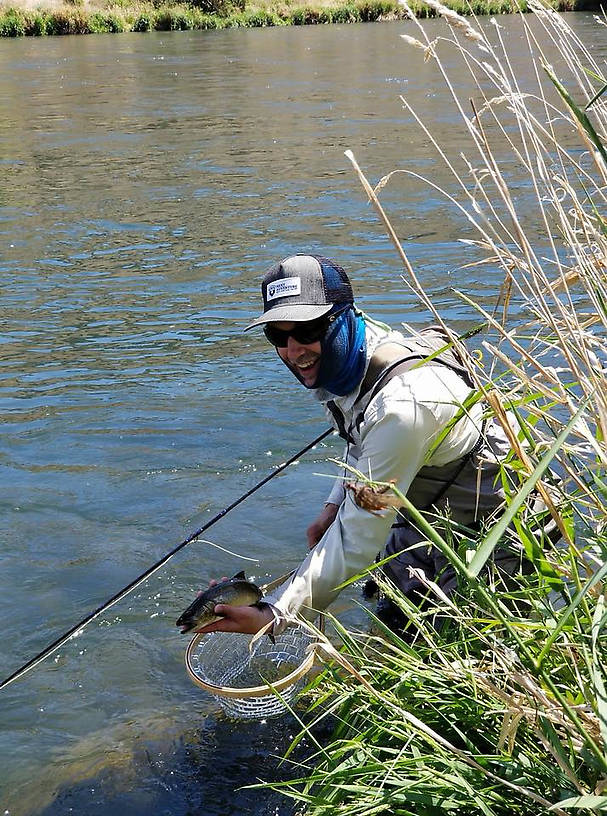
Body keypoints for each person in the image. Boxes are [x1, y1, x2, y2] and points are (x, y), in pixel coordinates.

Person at [197, 253, 529, 638]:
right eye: (278, 337)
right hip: (424, 511)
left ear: (344, 316)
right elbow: (362, 442)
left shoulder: (402, 406)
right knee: (390, 616)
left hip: (492, 533)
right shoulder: (352, 357)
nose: (294, 350)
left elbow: (357, 537)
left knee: (464, 646)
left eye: (308, 330)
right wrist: (333, 505)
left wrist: (277, 615)